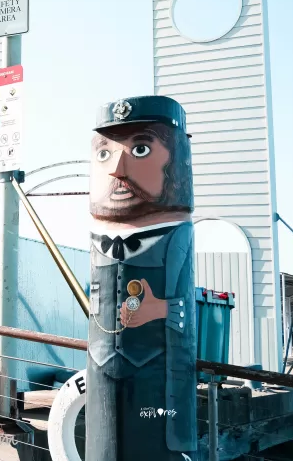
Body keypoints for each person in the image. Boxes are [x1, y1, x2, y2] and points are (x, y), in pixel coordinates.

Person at [85, 96, 197, 461]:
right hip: (101, 371)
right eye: (104, 154)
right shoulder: (96, 239)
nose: (117, 168)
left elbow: (187, 309)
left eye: (141, 148)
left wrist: (160, 309)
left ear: (176, 160)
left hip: (157, 381)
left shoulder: (176, 235)